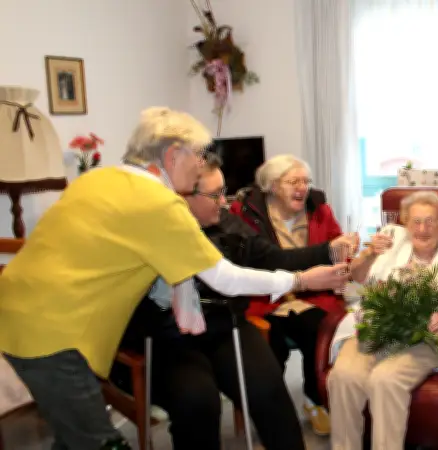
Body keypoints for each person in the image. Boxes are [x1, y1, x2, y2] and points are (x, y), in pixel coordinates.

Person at [0, 107, 346, 450]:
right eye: (198, 156)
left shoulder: (98, 178)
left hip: (19, 311)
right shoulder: (159, 203)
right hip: (53, 332)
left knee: (74, 438)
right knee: (98, 443)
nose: (201, 164)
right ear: (172, 154)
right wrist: (299, 282)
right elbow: (224, 278)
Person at [114, 155, 356, 450]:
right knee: (197, 401)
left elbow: (271, 257)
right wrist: (303, 281)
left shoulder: (226, 220)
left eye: (224, 191)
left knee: (270, 391)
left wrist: (327, 252)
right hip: (171, 334)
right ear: (184, 196)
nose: (224, 202)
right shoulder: (160, 228)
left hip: (224, 322)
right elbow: (229, 279)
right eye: (214, 195)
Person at [326, 191, 438, 450]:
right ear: (405, 223)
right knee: (343, 377)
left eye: (431, 221)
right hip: (376, 330)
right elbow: (357, 277)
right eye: (416, 221)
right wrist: (369, 253)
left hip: (426, 339)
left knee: (385, 380)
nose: (423, 229)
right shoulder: (391, 243)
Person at [229, 154, 345, 435]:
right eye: (294, 181)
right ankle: (269, 408)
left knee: (319, 331)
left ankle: (314, 400)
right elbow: (244, 262)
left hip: (312, 297)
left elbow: (338, 250)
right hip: (265, 300)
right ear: (272, 185)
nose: (302, 188)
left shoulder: (320, 209)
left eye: (306, 181)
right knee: (271, 346)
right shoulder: (244, 214)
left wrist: (346, 254)